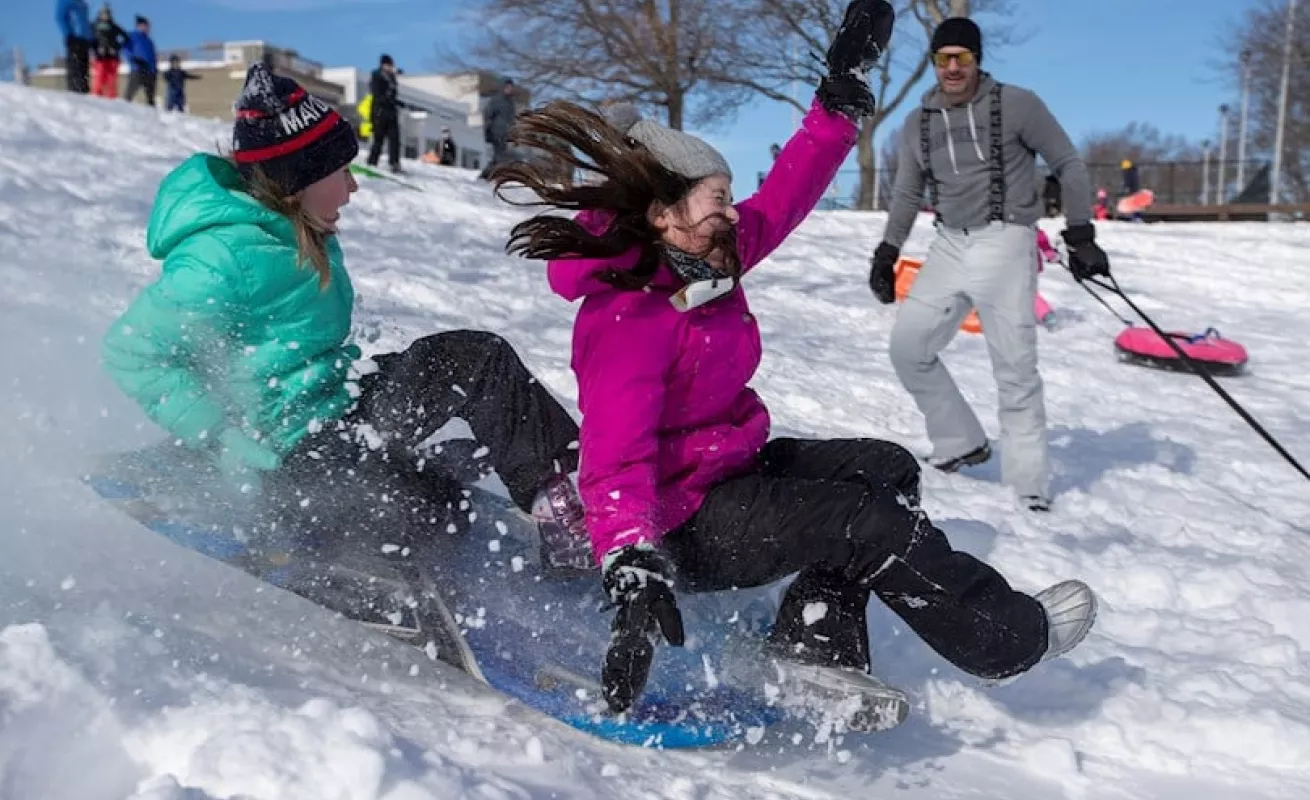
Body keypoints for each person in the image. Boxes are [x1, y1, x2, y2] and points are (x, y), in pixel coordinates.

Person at [494, 0, 1095, 725]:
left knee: (885, 468)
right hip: (683, 521)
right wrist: (630, 562)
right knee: (862, 522)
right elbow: (614, 459)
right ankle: (1007, 641)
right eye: (719, 200)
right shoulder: (633, 316)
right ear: (664, 215)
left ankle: (814, 648)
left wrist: (836, 102)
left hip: (725, 472)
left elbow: (787, 194)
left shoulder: (709, 251)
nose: (735, 213)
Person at [100, 63, 594, 578]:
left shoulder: (294, 228)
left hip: (335, 415)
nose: (353, 188)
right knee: (429, 512)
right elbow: (131, 352)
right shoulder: (223, 258)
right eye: (340, 173)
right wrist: (222, 440)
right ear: (297, 182)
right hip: (282, 460)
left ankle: (554, 504)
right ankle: (334, 555)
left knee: (476, 358)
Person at [866, 16, 1109, 512]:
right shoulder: (919, 122)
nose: (953, 68)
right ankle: (960, 441)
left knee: (1014, 366)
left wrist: (1081, 232)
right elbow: (909, 190)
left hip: (1006, 238)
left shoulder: (1019, 104)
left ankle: (1028, 486)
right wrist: (887, 249)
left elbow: (1068, 162)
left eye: (963, 57)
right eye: (943, 58)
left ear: (978, 60)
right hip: (949, 244)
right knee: (908, 347)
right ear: (934, 62)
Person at [367, 54, 407, 174]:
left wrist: (397, 103)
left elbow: (393, 94)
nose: (390, 67)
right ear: (383, 65)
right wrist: (393, 101)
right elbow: (378, 95)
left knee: (395, 139)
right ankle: (372, 162)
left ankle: (394, 163)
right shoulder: (376, 75)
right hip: (380, 112)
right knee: (378, 139)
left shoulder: (392, 78)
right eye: (388, 65)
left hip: (391, 112)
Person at [479, 78, 516, 180]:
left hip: (505, 133)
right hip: (496, 132)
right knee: (499, 156)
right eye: (507, 87)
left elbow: (512, 118)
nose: (509, 89)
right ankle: (493, 176)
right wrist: (487, 130)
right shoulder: (496, 100)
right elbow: (488, 115)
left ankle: (486, 175)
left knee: (498, 156)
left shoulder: (510, 102)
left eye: (511, 87)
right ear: (502, 87)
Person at [90, 4, 129, 99]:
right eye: (103, 14)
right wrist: (96, 49)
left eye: (107, 14)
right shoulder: (94, 26)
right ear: (99, 14)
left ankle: (112, 100)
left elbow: (126, 37)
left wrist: (116, 47)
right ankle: (96, 97)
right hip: (100, 57)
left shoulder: (114, 27)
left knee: (111, 80)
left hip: (113, 58)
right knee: (99, 78)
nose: (105, 16)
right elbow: (90, 40)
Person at [56, 0, 92, 94]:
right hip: (74, 39)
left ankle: (84, 91)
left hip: (85, 40)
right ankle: (74, 91)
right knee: (75, 66)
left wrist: (91, 38)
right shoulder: (65, 1)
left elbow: (85, 21)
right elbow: (60, 17)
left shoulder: (83, 3)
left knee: (84, 68)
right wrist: (68, 34)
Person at [122, 15, 157, 106]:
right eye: (145, 26)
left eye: (148, 26)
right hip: (137, 69)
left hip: (149, 71)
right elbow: (125, 49)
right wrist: (133, 59)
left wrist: (154, 69)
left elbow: (153, 57)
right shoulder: (132, 36)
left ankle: (152, 113)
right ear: (139, 26)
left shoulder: (149, 41)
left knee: (150, 97)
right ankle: (124, 108)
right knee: (130, 93)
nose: (147, 28)